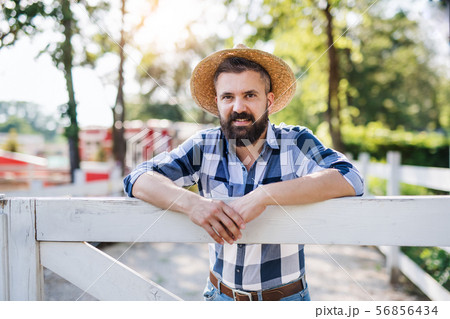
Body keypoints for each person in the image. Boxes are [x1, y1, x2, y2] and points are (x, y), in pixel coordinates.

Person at [123, 44, 364, 301]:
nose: (238, 107)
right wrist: (193, 204)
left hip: (285, 302)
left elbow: (350, 177)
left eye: (249, 95)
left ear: (268, 100)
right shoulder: (204, 146)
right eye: (228, 97)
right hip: (219, 298)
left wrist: (265, 195)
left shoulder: (296, 141)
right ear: (217, 102)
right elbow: (138, 178)